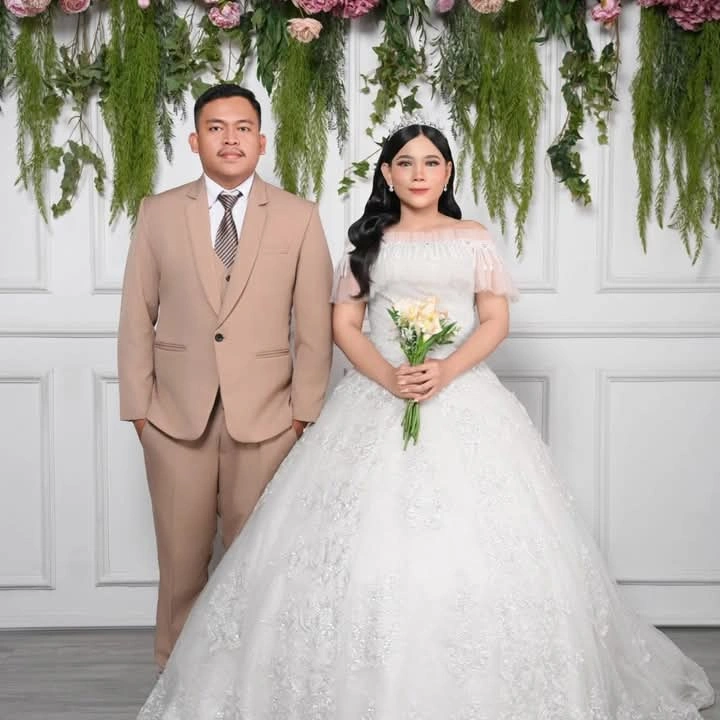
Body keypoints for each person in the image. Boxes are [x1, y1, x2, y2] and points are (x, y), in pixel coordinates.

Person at [136, 122, 714, 719]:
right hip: (378, 395)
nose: (418, 174)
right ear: (387, 175)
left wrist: (445, 370)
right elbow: (343, 326)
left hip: (460, 394)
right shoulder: (369, 243)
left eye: (431, 162)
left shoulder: (472, 239)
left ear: (448, 173)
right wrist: (390, 377)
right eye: (405, 163)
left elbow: (495, 320)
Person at [117, 83, 334, 671]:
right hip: (173, 420)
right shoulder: (159, 213)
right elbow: (136, 315)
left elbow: (314, 326)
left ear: (262, 141)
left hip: (268, 421)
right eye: (216, 128)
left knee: (256, 564)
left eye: (243, 128)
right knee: (180, 565)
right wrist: (140, 413)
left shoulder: (298, 216)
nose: (230, 138)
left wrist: (302, 415)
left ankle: (251, 678)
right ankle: (175, 680)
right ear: (195, 141)